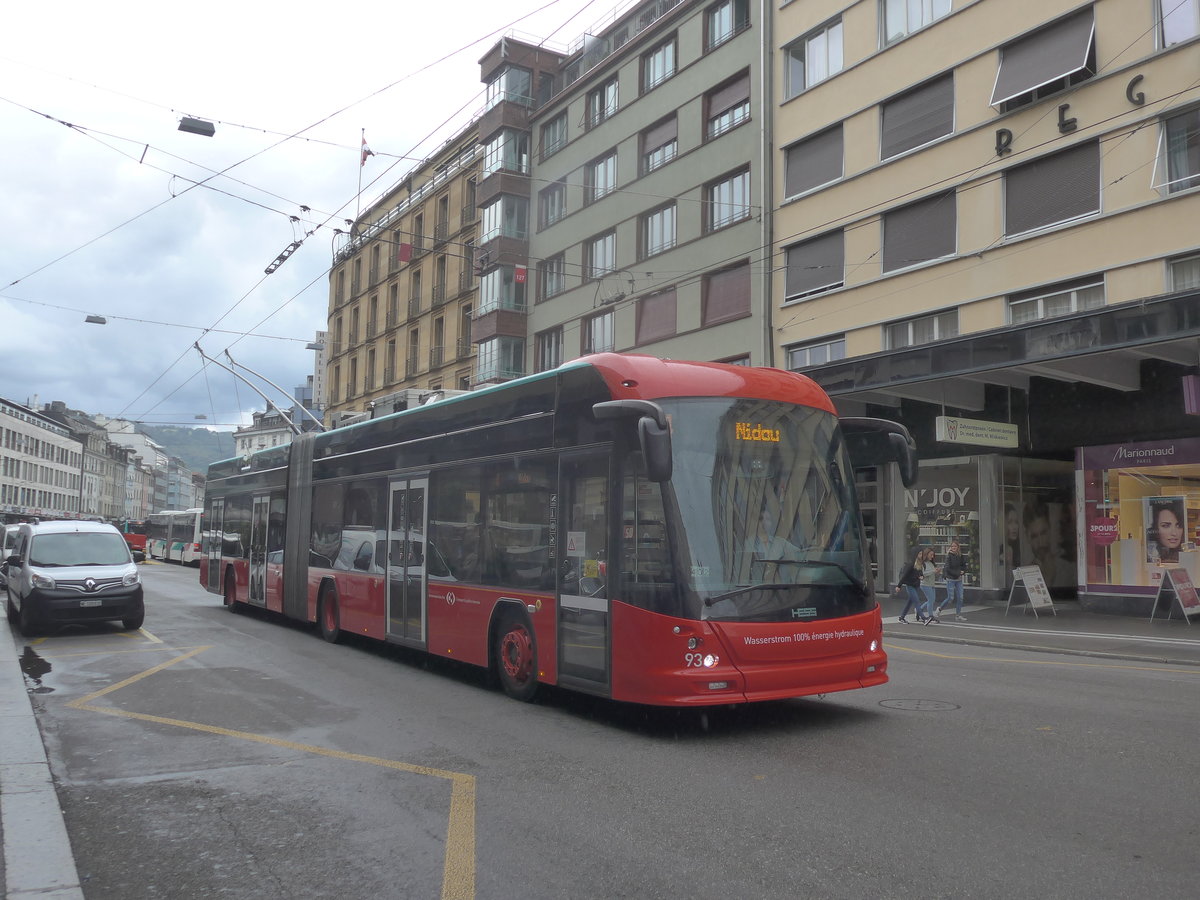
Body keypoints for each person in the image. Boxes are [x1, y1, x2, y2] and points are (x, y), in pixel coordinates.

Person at [894, 547, 929, 624]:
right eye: (919, 554)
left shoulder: (920, 563)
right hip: (910, 585)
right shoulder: (911, 564)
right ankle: (924, 618)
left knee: (909, 602)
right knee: (917, 601)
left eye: (921, 554)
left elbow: (920, 574)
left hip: (916, 585)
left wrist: (921, 576)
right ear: (915, 554)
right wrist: (899, 586)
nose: (921, 555)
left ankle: (901, 617)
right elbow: (904, 576)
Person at [936, 539, 967, 621]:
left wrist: (963, 571)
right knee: (950, 598)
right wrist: (958, 573)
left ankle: (958, 615)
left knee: (960, 597)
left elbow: (964, 565)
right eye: (952, 546)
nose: (953, 548)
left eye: (955, 546)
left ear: (958, 547)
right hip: (951, 579)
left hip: (959, 580)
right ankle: (939, 609)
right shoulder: (949, 556)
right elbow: (948, 569)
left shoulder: (960, 556)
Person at [1148, 498, 1185, 564]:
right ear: (1155, 528)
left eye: (1178, 525)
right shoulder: (1150, 556)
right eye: (1165, 526)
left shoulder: (1186, 558)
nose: (1174, 533)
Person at [920, 547, 939, 624]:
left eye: (933, 555)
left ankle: (919, 609)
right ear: (926, 554)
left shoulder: (931, 563)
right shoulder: (923, 563)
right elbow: (923, 574)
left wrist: (937, 572)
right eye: (931, 555)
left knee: (931, 600)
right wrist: (933, 571)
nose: (932, 556)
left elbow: (932, 573)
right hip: (925, 584)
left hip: (931, 584)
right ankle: (930, 616)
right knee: (931, 600)